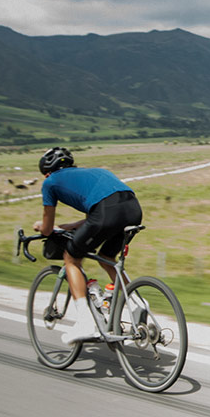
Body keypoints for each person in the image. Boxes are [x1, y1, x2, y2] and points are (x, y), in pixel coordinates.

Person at [31, 147, 143, 345]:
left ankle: (84, 322)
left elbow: (48, 229)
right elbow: (100, 211)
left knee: (71, 257)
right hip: (133, 208)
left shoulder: (50, 182)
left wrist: (42, 227)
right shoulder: (92, 173)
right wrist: (73, 226)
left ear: (48, 172)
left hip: (106, 212)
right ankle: (138, 303)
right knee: (108, 258)